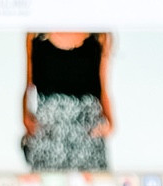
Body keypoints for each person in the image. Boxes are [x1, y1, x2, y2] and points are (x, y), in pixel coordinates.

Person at [20, 31, 115, 172]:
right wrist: (26, 117)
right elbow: (28, 85)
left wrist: (110, 123)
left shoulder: (99, 35)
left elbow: (102, 88)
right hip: (49, 135)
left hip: (86, 135)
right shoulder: (35, 35)